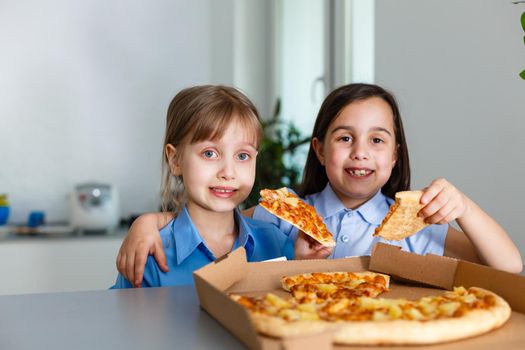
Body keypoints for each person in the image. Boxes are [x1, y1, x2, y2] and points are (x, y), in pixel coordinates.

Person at [116, 83, 523, 288]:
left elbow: (508, 268)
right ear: (320, 151)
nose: (360, 153)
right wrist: (150, 222)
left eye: (377, 140)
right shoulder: (288, 217)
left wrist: (464, 207)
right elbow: (221, 218)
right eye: (345, 138)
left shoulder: (418, 221)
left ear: (395, 155)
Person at [111, 85, 296, 288]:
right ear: (175, 160)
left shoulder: (278, 242)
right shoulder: (149, 252)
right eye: (209, 153)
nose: (228, 172)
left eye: (243, 156)